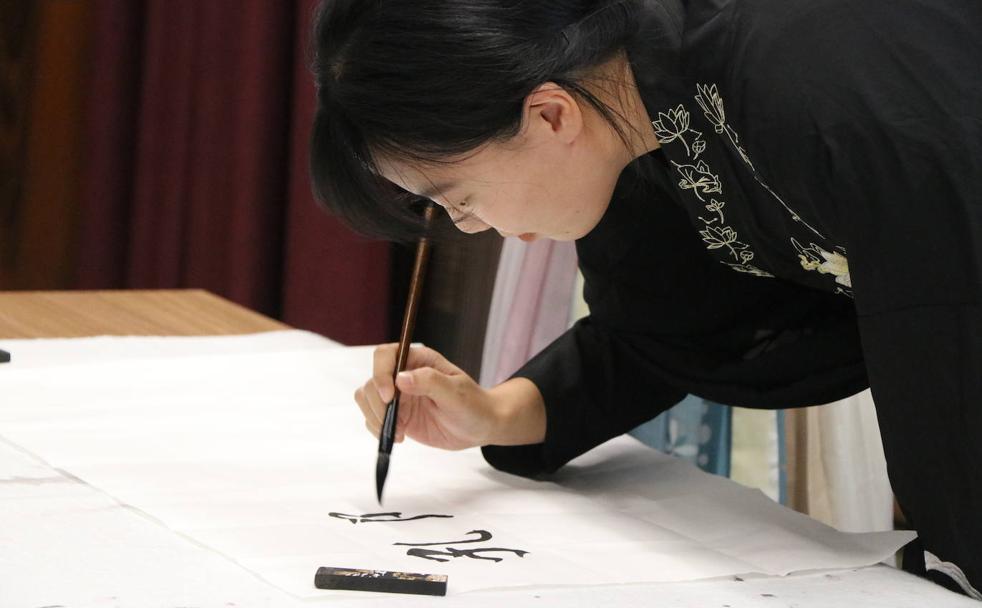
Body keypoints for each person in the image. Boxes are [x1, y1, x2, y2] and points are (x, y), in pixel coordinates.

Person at [309, 0, 982, 596]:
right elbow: (672, 328)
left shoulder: (818, 69)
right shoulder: (643, 118)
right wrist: (493, 413)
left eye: (459, 198)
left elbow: (950, 339)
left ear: (549, 114)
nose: (470, 226)